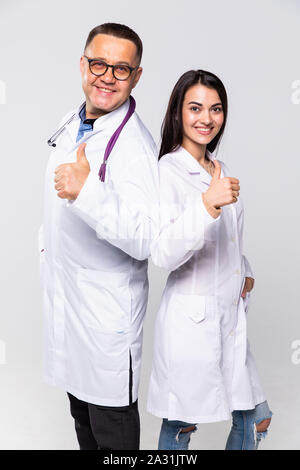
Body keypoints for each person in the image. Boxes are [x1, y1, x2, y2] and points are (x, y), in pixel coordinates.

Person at [39, 23, 158, 450]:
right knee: (83, 423)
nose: (107, 76)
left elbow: (147, 238)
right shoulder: (73, 121)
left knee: (112, 435)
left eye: (121, 68)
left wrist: (87, 192)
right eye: (98, 63)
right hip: (71, 305)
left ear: (136, 76)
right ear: (83, 64)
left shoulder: (136, 147)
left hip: (106, 319)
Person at [147, 70, 272, 450]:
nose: (207, 118)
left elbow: (230, 242)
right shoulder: (166, 171)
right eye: (196, 108)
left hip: (229, 317)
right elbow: (163, 251)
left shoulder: (221, 169)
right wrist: (206, 204)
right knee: (181, 424)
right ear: (178, 114)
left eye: (215, 109)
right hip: (191, 323)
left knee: (254, 416)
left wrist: (244, 272)